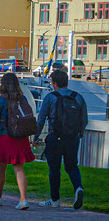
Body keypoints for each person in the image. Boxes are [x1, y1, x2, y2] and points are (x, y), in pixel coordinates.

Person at [35, 68, 87, 209]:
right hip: (72, 138)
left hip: (55, 137)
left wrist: (35, 136)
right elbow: (84, 120)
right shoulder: (78, 97)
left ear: (55, 83)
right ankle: (78, 187)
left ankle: (55, 199)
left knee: (54, 169)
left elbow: (41, 120)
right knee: (72, 166)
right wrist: (78, 134)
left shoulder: (51, 97)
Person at [0, 73, 34, 210]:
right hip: (20, 136)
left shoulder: (0, 100)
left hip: (4, 136)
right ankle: (23, 199)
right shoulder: (22, 98)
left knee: (0, 168)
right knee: (19, 168)